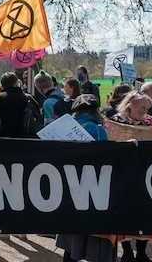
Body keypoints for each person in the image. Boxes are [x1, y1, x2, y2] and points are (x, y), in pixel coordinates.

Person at [55, 95, 112, 262]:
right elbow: (104, 158)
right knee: (94, 237)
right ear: (96, 111)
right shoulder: (98, 129)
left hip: (67, 185)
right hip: (92, 187)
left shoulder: (61, 129)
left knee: (72, 235)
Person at [108, 92, 152, 261]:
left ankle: (142, 252)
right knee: (125, 213)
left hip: (145, 173)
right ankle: (127, 251)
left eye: (147, 108)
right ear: (130, 104)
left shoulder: (150, 122)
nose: (144, 111)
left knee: (144, 213)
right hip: (122, 174)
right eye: (142, 107)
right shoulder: (115, 121)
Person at [0, 72, 39, 139]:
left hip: (4, 137)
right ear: (16, 83)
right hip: (27, 138)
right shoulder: (28, 98)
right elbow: (38, 116)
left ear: (2, 84)